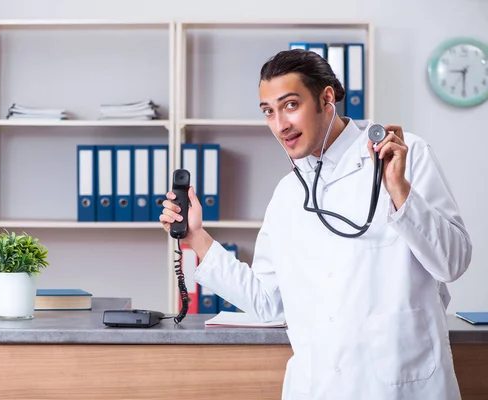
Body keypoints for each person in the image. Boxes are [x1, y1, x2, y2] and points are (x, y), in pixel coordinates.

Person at [159, 48, 473, 400]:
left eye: (290, 105)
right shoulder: (288, 194)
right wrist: (197, 238)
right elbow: (266, 301)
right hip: (317, 387)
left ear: (327, 99)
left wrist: (399, 190)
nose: (280, 125)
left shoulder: (404, 155)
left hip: (402, 385)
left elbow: (453, 263)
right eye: (269, 112)